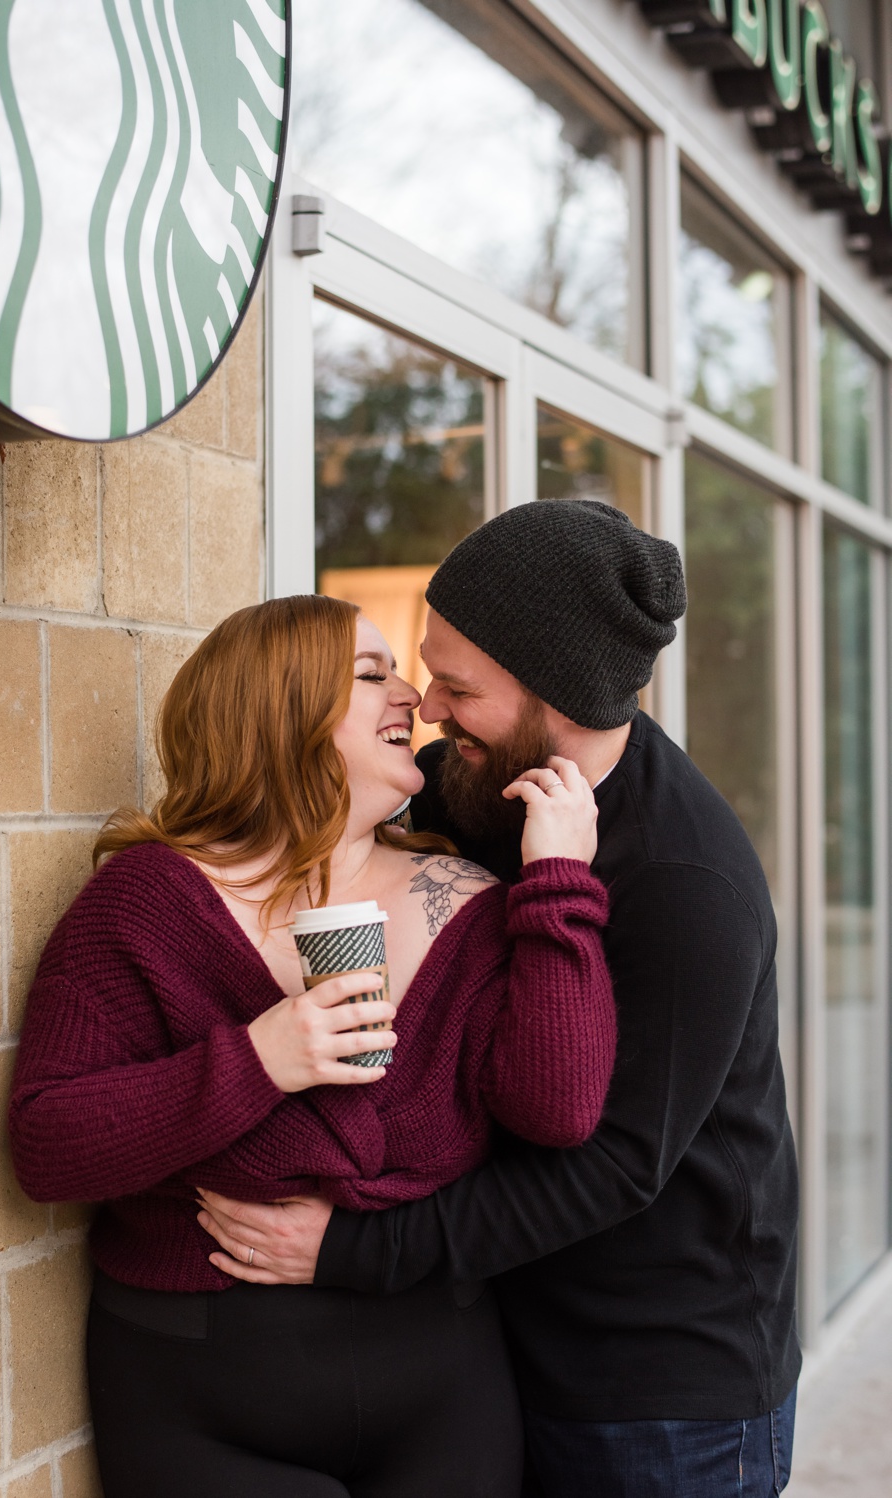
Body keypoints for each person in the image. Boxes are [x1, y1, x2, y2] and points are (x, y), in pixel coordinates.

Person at [196, 501, 799, 1497]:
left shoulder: (691, 887)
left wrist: (348, 1249)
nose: (427, 706)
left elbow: (609, 1168)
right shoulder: (471, 785)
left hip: (661, 1394)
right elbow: (314, 803)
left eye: (458, 686)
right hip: (503, 1336)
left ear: (555, 697)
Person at [9, 593, 617, 1496]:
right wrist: (259, 1060)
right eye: (372, 676)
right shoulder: (146, 904)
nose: (411, 696)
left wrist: (559, 882)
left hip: (442, 1383)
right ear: (279, 712)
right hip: (199, 1387)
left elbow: (558, 1110)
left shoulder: (468, 898)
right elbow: (48, 1146)